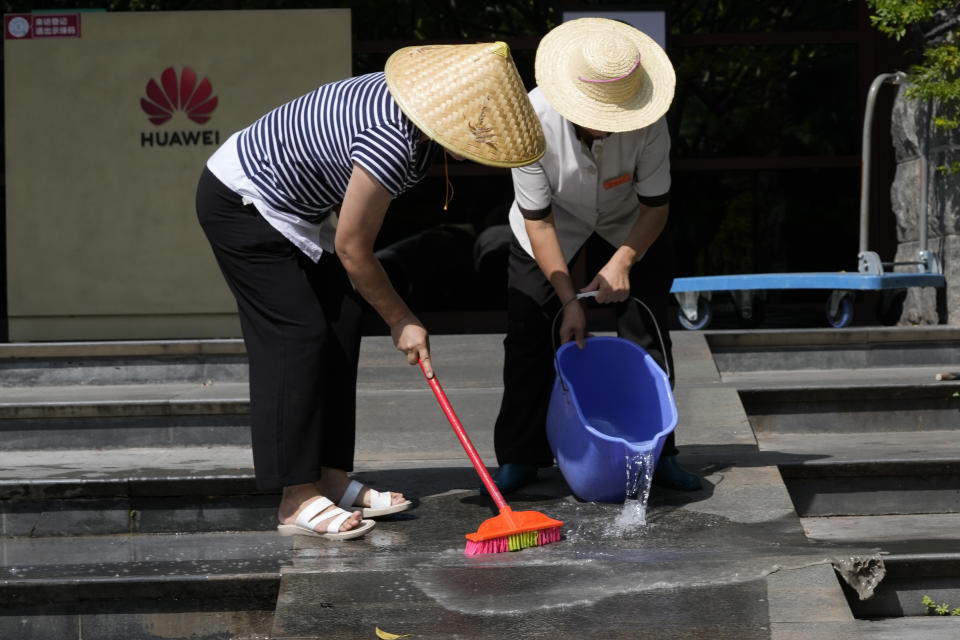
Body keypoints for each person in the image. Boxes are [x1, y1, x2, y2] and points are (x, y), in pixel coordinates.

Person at [196, 42, 545, 539]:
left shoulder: (412, 123)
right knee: (297, 335)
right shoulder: (393, 138)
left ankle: (333, 479)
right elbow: (354, 248)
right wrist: (403, 319)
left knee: (342, 318)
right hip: (242, 203)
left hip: (295, 211)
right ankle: (296, 498)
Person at [491, 18, 702, 495]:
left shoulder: (650, 120)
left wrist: (624, 260)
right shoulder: (531, 119)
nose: (608, 125)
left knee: (648, 332)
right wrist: (571, 301)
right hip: (550, 224)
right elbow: (539, 222)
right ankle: (520, 456)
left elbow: (656, 207)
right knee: (528, 333)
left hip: (628, 222)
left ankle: (659, 452)